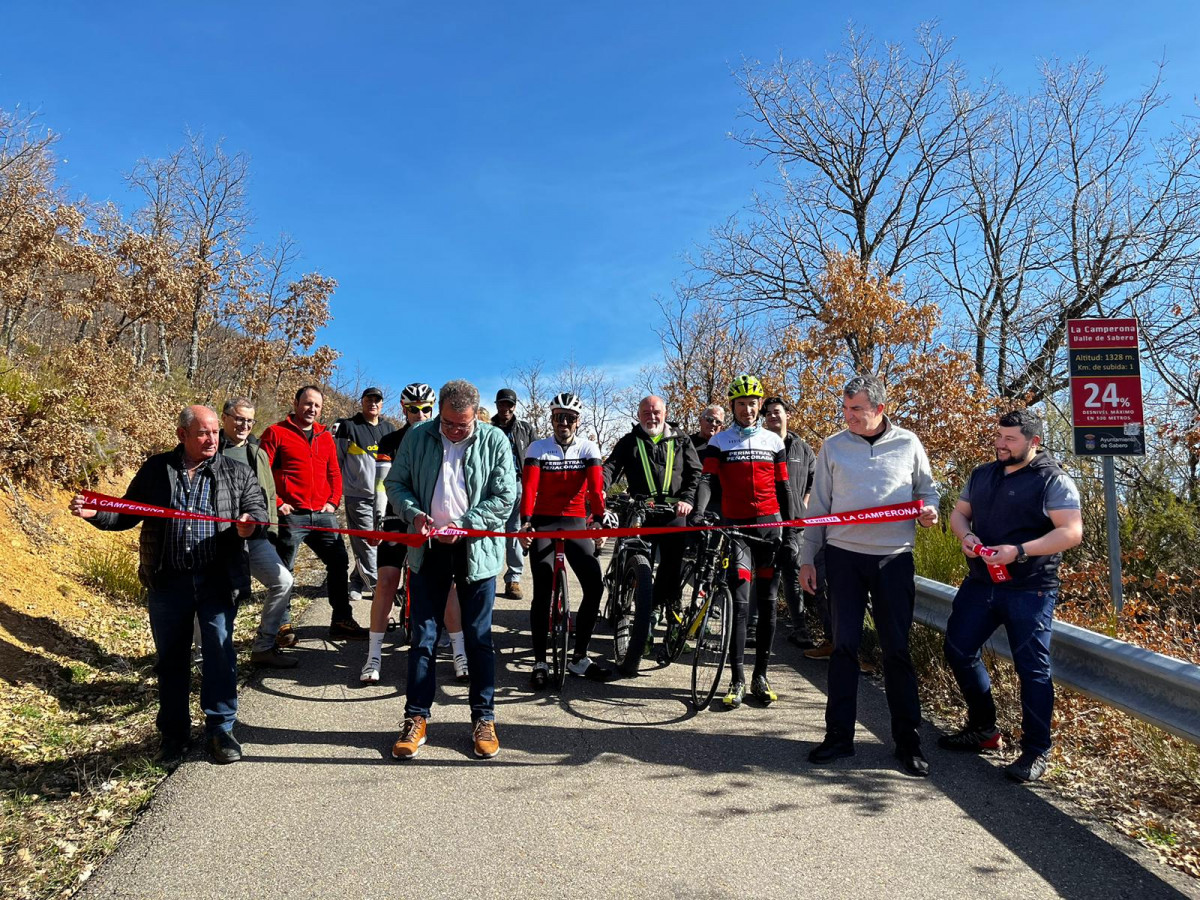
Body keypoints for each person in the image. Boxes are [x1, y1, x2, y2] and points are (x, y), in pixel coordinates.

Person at [69, 406, 263, 766]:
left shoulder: (236, 471)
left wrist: (251, 523)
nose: (212, 440)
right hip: (167, 580)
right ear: (182, 435)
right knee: (171, 661)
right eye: (203, 433)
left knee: (220, 655)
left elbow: (257, 506)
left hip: (217, 580)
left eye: (216, 433)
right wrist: (97, 514)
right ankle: (174, 735)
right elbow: (127, 511)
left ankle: (221, 730)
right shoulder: (158, 469)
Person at [800, 374, 940, 777]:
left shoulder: (909, 443)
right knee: (843, 647)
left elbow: (927, 492)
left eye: (856, 409)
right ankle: (839, 736)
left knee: (896, 650)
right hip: (843, 557)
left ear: (880, 409)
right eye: (845, 409)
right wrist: (808, 558)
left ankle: (908, 741)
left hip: (894, 558)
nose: (848, 416)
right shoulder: (833, 445)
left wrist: (928, 511)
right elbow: (819, 507)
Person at [941, 409, 1083, 782]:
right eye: (999, 437)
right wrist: (966, 537)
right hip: (981, 581)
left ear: (1033, 442)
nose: (1000, 444)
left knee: (1032, 671)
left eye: (1010, 439)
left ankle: (1036, 751)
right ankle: (984, 729)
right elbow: (959, 515)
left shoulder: (1053, 479)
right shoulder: (983, 474)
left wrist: (1018, 550)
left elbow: (1070, 532)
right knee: (957, 648)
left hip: (1030, 588)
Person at [385, 380, 517, 760]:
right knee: (423, 637)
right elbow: (396, 484)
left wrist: (467, 522)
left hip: (477, 549)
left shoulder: (494, 441)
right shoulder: (418, 437)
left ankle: (484, 718)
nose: (455, 431)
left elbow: (506, 495)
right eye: (448, 423)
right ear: (439, 412)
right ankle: (415, 718)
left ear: (476, 415)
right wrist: (414, 514)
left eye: (462, 425)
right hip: (428, 549)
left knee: (478, 638)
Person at [692, 375, 796, 709]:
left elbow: (786, 490)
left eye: (753, 404)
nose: (748, 409)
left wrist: (792, 532)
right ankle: (737, 678)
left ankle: (760, 676)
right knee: (739, 603)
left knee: (766, 604)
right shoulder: (719, 442)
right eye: (741, 404)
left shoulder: (774, 442)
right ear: (733, 406)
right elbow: (707, 479)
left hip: (769, 529)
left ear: (759, 406)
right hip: (736, 530)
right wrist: (699, 510)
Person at [361, 383, 473, 685]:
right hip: (399, 521)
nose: (420, 414)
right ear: (403, 408)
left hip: (433, 524)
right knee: (385, 581)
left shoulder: (442, 438)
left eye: (426, 408)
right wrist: (378, 522)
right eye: (413, 409)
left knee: (448, 586)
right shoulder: (390, 440)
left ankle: (459, 652)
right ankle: (373, 655)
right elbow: (382, 487)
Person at [601, 394, 701, 673]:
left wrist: (688, 500)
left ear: (665, 413)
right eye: (645, 412)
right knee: (634, 562)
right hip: (640, 512)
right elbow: (611, 467)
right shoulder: (630, 440)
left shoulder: (680, 439)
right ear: (639, 414)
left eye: (656, 411)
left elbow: (696, 473)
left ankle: (654, 611)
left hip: (673, 513)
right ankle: (630, 604)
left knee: (671, 566)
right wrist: (601, 484)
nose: (651, 416)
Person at [259, 386, 368, 640]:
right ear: (296, 403)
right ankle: (282, 626)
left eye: (317, 405)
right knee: (283, 571)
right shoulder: (276, 433)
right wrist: (278, 503)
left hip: (322, 513)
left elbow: (334, 472)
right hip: (291, 514)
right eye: (307, 403)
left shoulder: (325, 436)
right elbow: (262, 473)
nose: (312, 409)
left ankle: (341, 619)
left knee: (339, 561)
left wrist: (332, 501)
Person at [520, 392, 611, 686]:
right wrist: (526, 523)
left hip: (575, 521)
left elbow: (596, 489)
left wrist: (598, 518)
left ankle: (580, 657)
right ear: (552, 419)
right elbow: (529, 489)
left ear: (578, 421)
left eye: (570, 418)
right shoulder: (538, 448)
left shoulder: (588, 447)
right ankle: (540, 661)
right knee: (543, 590)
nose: (564, 423)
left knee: (594, 587)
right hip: (544, 522)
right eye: (559, 417)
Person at [218, 398, 297, 668]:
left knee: (283, 581)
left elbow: (269, 493)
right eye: (239, 418)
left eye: (250, 421)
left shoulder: (257, 451)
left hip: (256, 536)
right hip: (217, 538)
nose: (244, 425)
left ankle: (263, 646)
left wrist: (270, 531)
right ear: (224, 417)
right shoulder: (209, 448)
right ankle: (207, 655)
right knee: (216, 594)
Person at [756, 397, 817, 650]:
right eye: (768, 413)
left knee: (793, 572)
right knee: (763, 572)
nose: (772, 417)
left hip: (794, 522)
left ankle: (800, 628)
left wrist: (803, 504)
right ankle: (753, 625)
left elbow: (814, 480)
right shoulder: (757, 444)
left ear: (787, 414)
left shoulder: (802, 448)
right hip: (764, 520)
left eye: (777, 412)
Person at [333, 387, 396, 602]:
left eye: (377, 400)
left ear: (382, 404)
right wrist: (337, 492)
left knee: (381, 542)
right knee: (368, 542)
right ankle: (379, 588)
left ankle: (358, 580)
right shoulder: (349, 427)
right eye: (369, 399)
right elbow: (337, 461)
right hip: (357, 496)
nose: (373, 403)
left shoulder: (389, 429)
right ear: (362, 402)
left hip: (385, 497)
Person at [491, 388, 536, 600]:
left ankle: (513, 580)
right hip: (493, 485)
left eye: (509, 404)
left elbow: (538, 457)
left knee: (515, 531)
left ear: (515, 406)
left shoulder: (526, 429)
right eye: (501, 404)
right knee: (493, 530)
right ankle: (487, 579)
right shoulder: (487, 428)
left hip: (519, 483)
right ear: (496, 405)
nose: (505, 408)